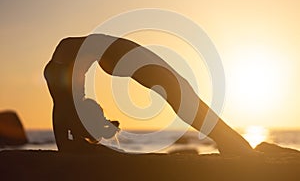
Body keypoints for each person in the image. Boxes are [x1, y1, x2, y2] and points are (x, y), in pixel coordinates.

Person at [44, 34, 253, 155]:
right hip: (114, 52)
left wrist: (67, 147)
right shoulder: (66, 88)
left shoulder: (64, 91)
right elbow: (61, 120)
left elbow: (61, 120)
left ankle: (230, 141)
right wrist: (69, 144)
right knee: (180, 92)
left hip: (114, 53)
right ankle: (231, 142)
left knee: (180, 93)